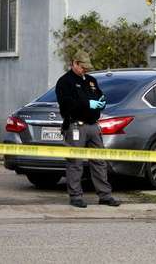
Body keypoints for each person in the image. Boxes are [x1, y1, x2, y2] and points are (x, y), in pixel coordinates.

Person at [55, 50, 120, 208]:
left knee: (99, 161)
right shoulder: (65, 82)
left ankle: (105, 195)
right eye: (83, 67)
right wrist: (87, 104)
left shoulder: (90, 80)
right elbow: (67, 104)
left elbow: (98, 95)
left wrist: (101, 101)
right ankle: (75, 196)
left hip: (93, 125)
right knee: (75, 162)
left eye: (87, 68)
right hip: (76, 125)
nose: (86, 70)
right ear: (75, 63)